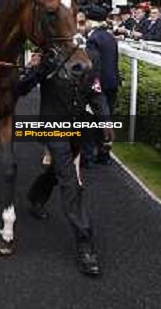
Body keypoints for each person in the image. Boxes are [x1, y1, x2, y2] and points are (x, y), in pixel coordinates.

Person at [14, 45, 104, 277]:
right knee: (70, 181)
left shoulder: (90, 58)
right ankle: (86, 245)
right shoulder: (48, 59)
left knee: (57, 172)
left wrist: (104, 121)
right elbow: (20, 89)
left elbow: (96, 94)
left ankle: (36, 197)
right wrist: (36, 70)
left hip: (77, 128)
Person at [84, 5, 120, 117]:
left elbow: (94, 66)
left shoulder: (93, 39)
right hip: (113, 83)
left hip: (99, 87)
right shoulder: (110, 36)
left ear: (91, 21)